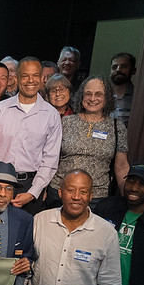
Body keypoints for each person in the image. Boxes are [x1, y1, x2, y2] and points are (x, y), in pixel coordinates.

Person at [0, 57, 62, 214]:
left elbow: (50, 159)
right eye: (25, 75)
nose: (31, 80)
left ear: (42, 78)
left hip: (31, 185)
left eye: (35, 75)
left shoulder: (51, 115)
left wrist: (33, 192)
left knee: (24, 236)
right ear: (16, 78)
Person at [49, 76, 130, 206]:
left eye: (98, 94)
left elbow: (121, 167)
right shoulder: (66, 122)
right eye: (88, 94)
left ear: (107, 97)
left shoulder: (116, 127)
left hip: (96, 197)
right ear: (81, 96)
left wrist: (126, 198)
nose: (93, 99)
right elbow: (51, 158)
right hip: (60, 192)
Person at [110, 53, 136, 127]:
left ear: (133, 70)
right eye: (114, 67)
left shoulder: (138, 98)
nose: (118, 70)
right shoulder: (101, 95)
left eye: (124, 66)